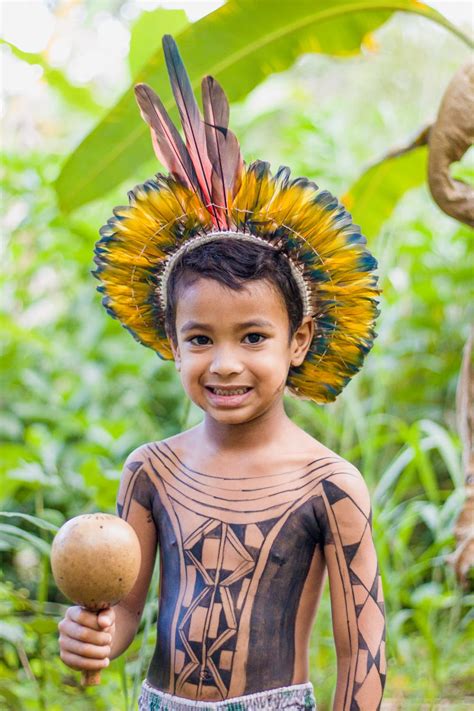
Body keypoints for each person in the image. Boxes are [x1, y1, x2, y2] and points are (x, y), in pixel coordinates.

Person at [58, 35, 386, 711]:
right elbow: (124, 612)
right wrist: (93, 634)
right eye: (200, 337)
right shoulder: (150, 472)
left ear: (299, 340)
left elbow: (362, 652)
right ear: (171, 344)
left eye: (254, 335)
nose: (225, 361)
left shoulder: (330, 486)